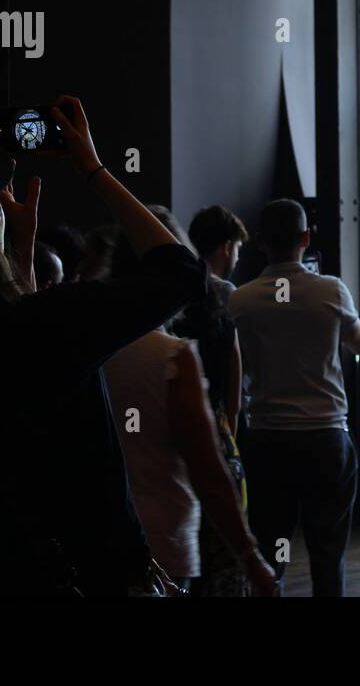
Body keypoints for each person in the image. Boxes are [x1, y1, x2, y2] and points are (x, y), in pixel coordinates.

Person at [0, 96, 207, 596]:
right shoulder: (45, 327)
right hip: (94, 576)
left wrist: (16, 270)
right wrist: (92, 167)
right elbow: (182, 273)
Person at [102, 206, 275, 597]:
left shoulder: (84, 344)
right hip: (165, 539)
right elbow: (208, 467)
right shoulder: (172, 355)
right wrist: (250, 556)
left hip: (100, 540)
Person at [228, 198, 360, 596]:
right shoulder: (331, 291)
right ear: (306, 238)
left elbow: (234, 363)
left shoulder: (240, 300)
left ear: (259, 243)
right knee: (328, 552)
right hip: (326, 435)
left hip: (267, 438)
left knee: (272, 549)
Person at [179, 203, 252, 595]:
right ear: (226, 247)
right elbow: (234, 397)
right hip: (218, 431)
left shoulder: (176, 291)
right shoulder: (226, 297)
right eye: (237, 247)